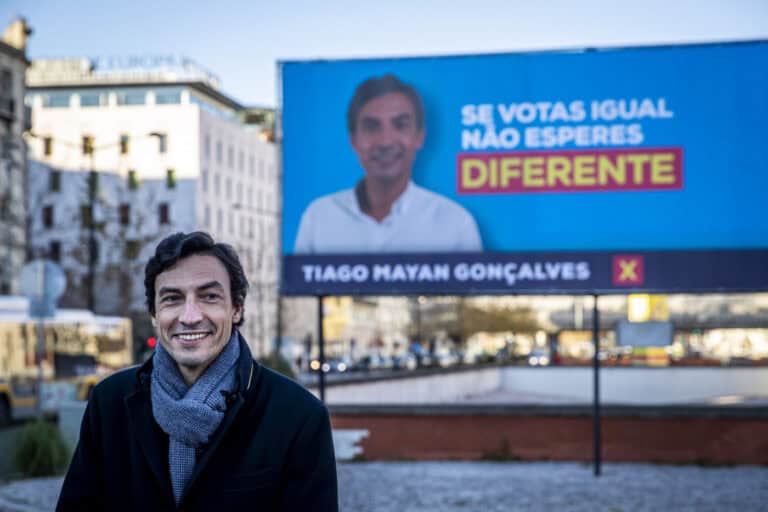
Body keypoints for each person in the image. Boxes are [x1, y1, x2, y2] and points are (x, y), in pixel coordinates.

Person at [57, 232, 338, 511]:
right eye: (172, 299)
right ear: (154, 314)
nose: (190, 317)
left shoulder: (298, 416)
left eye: (209, 297)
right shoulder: (109, 403)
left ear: (237, 309)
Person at [294, 74, 482, 254]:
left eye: (400, 125)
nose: (385, 141)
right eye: (371, 127)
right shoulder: (319, 217)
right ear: (353, 140)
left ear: (420, 136)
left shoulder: (455, 224)